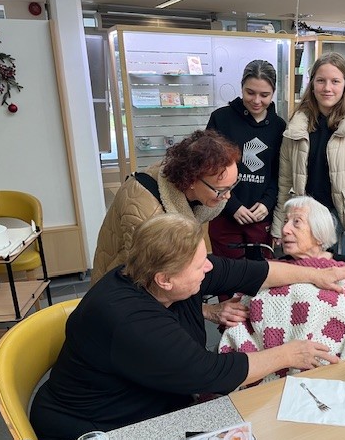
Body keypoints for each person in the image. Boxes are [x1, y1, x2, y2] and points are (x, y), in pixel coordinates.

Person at [30, 212, 345, 440]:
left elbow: (249, 271)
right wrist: (290, 353)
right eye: (200, 264)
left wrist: (316, 275)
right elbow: (211, 373)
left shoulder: (162, 274)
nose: (209, 266)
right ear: (165, 279)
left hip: (151, 403)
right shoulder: (131, 320)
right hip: (95, 432)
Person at [219, 196, 345, 382]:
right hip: (270, 368)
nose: (285, 229)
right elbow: (243, 307)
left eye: (296, 222)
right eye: (285, 221)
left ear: (319, 232)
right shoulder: (274, 269)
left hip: (333, 372)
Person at [91, 129, 247, 325]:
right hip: (121, 298)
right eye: (221, 190)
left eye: (232, 187)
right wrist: (207, 310)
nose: (228, 197)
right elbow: (152, 286)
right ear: (192, 180)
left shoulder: (182, 185)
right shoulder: (146, 211)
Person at [271, 52, 345, 261]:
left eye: (335, 81)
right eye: (321, 81)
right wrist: (279, 223)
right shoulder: (297, 126)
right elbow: (285, 181)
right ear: (312, 84)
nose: (327, 88)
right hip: (308, 219)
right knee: (310, 273)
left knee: (343, 273)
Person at [206, 59, 286, 261]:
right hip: (224, 214)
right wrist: (232, 205)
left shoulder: (279, 126)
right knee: (229, 275)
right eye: (250, 92)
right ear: (241, 87)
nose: (256, 100)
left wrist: (267, 203)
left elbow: (279, 174)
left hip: (261, 218)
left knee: (261, 274)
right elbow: (207, 170)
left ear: (273, 93)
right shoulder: (220, 119)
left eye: (264, 95)